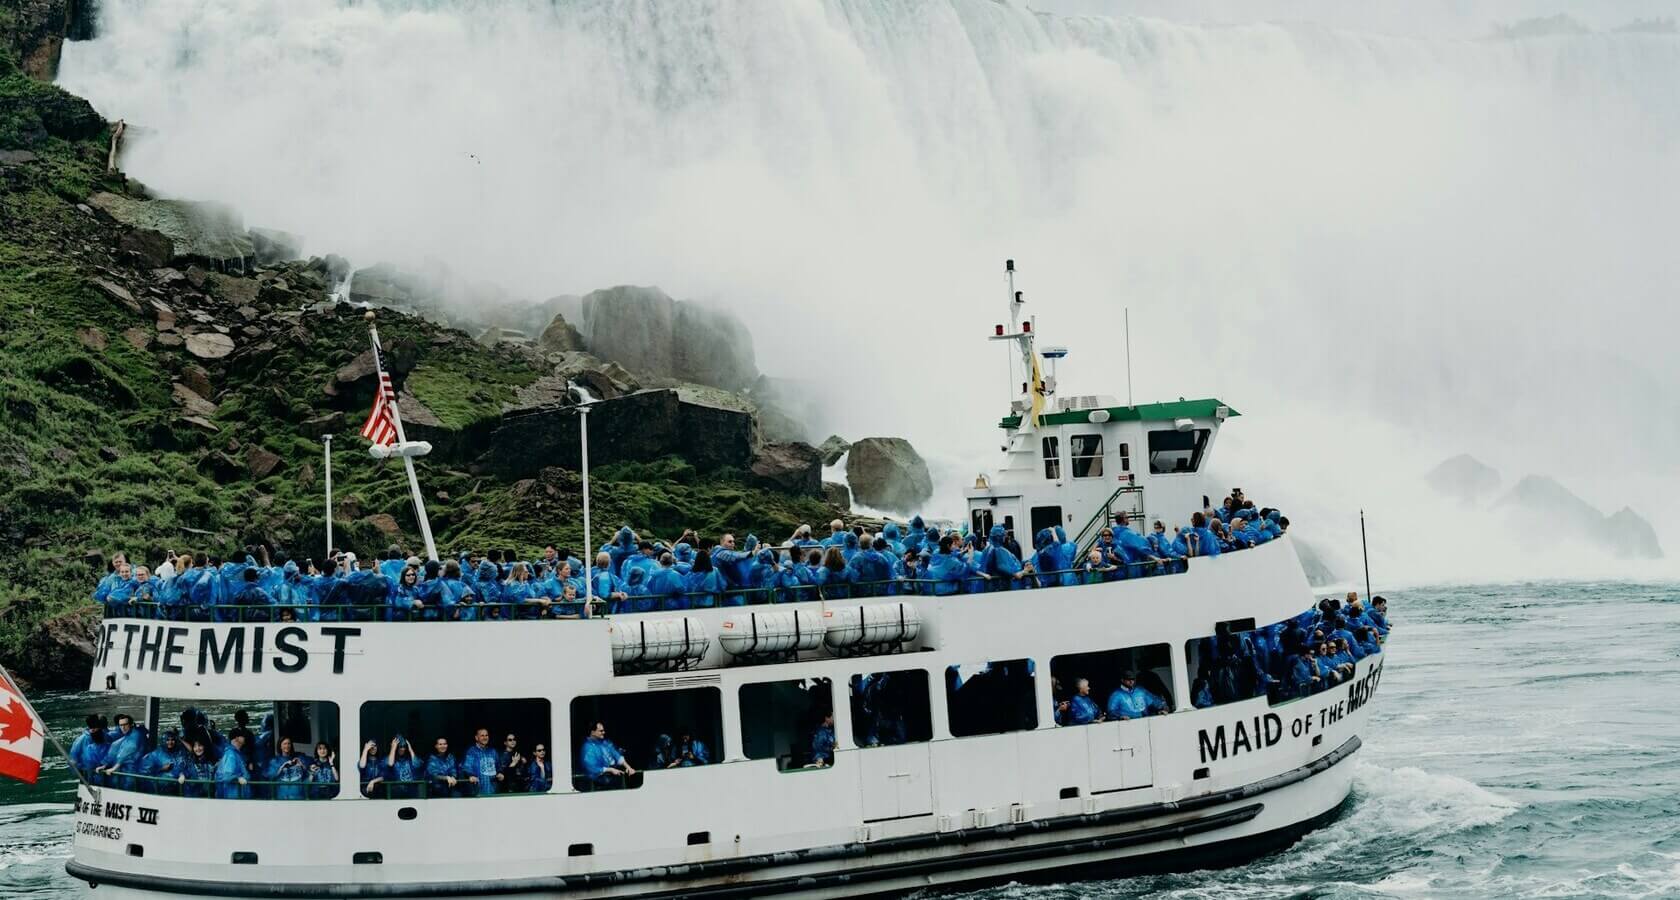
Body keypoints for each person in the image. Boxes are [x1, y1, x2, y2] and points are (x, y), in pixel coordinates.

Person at [578, 721, 635, 789]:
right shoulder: (587, 747)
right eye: (601, 731)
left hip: (614, 782)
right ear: (592, 732)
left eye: (604, 730)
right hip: (597, 786)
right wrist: (610, 770)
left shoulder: (605, 742)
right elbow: (591, 767)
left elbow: (617, 755)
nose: (604, 732)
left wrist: (628, 767)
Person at [96, 713, 145, 790]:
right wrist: (105, 764)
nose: (123, 727)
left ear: (131, 725)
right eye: (121, 725)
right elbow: (114, 749)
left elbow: (128, 750)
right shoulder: (125, 737)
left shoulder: (136, 735)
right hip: (125, 772)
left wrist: (114, 767)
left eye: (125, 724)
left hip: (134, 772)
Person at [138, 729, 186, 795]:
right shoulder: (156, 754)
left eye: (172, 740)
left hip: (177, 789)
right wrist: (161, 769)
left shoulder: (179, 753)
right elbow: (144, 772)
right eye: (167, 740)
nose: (170, 742)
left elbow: (186, 766)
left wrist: (181, 773)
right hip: (160, 790)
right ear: (163, 741)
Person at [462, 728, 502, 796]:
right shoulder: (471, 751)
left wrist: (500, 773)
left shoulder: (493, 751)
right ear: (476, 738)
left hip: (493, 791)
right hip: (478, 792)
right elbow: (467, 767)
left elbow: (498, 766)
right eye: (482, 735)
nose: (485, 737)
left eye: (486, 735)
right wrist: (471, 775)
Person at [215, 732, 253, 799]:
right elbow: (227, 776)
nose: (245, 738)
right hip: (233, 795)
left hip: (236, 794)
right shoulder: (231, 754)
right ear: (236, 738)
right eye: (242, 736)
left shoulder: (234, 753)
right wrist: (238, 778)